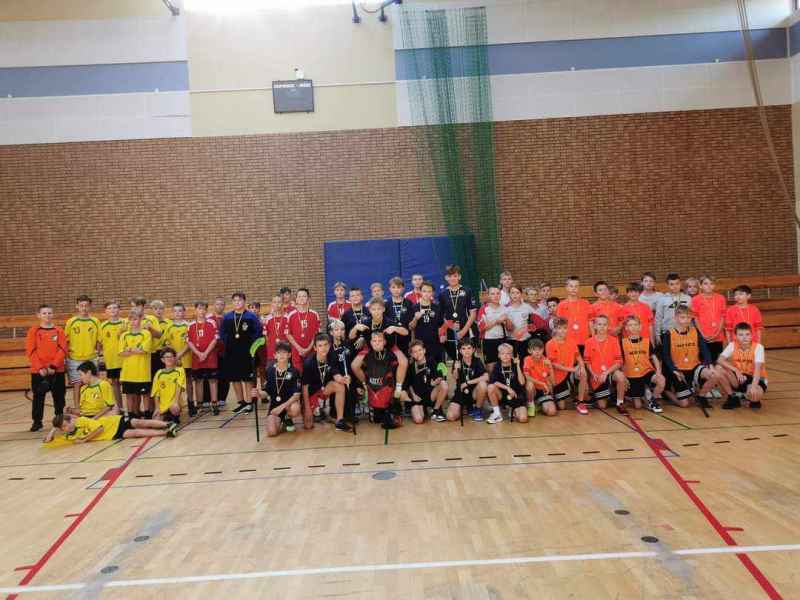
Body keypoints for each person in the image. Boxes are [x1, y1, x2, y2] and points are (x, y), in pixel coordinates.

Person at [661, 306, 718, 408]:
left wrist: (711, 365)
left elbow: (704, 349)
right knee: (684, 404)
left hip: (694, 366)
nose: (686, 320)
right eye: (683, 317)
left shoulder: (695, 331)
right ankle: (666, 391)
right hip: (679, 370)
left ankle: (701, 396)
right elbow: (665, 355)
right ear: (676, 318)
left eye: (688, 317)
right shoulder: (669, 334)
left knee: (714, 375)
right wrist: (674, 370)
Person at [351, 331, 408, 429]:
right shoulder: (367, 353)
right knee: (375, 421)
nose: (377, 343)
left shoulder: (390, 353)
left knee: (391, 420)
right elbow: (354, 366)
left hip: (388, 396)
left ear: (384, 342)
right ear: (370, 342)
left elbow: (404, 362)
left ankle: (393, 409)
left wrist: (394, 348)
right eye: (374, 341)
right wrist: (364, 384)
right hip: (374, 395)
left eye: (380, 340)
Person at [25, 304, 67, 431]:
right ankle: (37, 422)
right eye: (44, 313)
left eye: (49, 313)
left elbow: (63, 349)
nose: (47, 315)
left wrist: (54, 366)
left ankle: (60, 420)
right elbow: (31, 350)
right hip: (39, 371)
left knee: (59, 396)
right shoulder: (33, 331)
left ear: (53, 314)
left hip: (57, 370)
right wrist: (40, 368)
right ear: (39, 315)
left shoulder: (59, 330)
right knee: (38, 397)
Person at [221, 292, 263, 414]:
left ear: (244, 302)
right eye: (234, 300)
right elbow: (222, 333)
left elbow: (258, 332)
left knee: (247, 378)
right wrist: (228, 343)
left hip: (247, 353)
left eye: (239, 300)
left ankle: (249, 403)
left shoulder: (251, 317)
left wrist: (251, 346)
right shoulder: (227, 317)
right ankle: (241, 403)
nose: (237, 302)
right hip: (232, 353)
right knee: (235, 378)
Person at [302, 334, 352, 431]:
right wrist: (307, 408)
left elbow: (335, 373)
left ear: (329, 346)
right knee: (308, 426)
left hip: (324, 389)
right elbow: (305, 387)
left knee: (340, 386)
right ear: (315, 348)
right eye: (320, 346)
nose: (323, 348)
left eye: (325, 345)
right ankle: (315, 410)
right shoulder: (309, 363)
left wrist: (344, 379)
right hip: (312, 393)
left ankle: (340, 421)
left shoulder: (331, 356)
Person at [252, 341, 302, 436]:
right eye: (279, 353)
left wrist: (281, 407)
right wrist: (258, 394)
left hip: (288, 406)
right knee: (272, 432)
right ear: (275, 355)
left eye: (284, 352)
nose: (281, 355)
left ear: (289, 355)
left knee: (295, 408)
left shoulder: (294, 372)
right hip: (275, 407)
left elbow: (296, 396)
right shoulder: (270, 371)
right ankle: (280, 421)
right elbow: (267, 392)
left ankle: (287, 417)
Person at [619, 316, 665, 413]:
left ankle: (652, 400)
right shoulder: (622, 343)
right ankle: (644, 393)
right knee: (638, 406)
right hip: (631, 374)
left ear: (640, 327)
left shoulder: (646, 341)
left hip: (646, 371)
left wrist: (658, 371)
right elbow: (620, 362)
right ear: (626, 328)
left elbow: (654, 357)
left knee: (661, 380)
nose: (633, 327)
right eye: (630, 325)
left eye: (635, 325)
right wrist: (624, 377)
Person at [716, 323, 767, 410]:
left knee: (755, 395)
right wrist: (736, 370)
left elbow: (757, 370)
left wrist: (754, 386)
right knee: (718, 368)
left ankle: (750, 397)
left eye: (747, 334)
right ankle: (732, 396)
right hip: (739, 376)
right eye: (741, 335)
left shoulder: (758, 347)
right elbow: (720, 360)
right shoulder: (732, 345)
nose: (744, 337)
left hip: (754, 377)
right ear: (735, 336)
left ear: (752, 335)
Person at [44, 412, 176, 444]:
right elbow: (47, 441)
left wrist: (85, 439)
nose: (67, 428)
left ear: (71, 420)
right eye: (63, 427)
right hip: (111, 434)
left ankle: (167, 424)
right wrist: (54, 428)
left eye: (66, 424)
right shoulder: (68, 436)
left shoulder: (82, 421)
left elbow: (100, 429)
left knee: (139, 423)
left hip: (114, 422)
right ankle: (166, 433)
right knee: (135, 433)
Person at [546, 317, 589, 414]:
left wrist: (582, 367)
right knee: (561, 407)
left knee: (583, 374)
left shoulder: (571, 341)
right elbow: (554, 365)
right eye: (559, 328)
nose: (562, 331)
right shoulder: (550, 344)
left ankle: (580, 402)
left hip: (570, 372)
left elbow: (579, 357)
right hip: (558, 375)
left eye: (565, 328)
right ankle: (561, 393)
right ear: (554, 329)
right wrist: (572, 369)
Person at [64, 295, 101, 411]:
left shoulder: (95, 321)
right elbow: (66, 340)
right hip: (75, 358)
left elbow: (99, 339)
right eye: (81, 306)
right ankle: (77, 409)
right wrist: (68, 355)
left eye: (86, 306)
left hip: (91, 358)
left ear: (90, 306)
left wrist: (98, 352)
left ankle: (93, 407)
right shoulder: (71, 322)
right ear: (77, 306)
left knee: (93, 384)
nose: (84, 308)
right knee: (77, 384)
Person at [583, 315, 626, 411]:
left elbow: (619, 362)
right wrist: (593, 373)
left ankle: (620, 403)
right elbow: (587, 362)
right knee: (602, 406)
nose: (602, 327)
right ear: (595, 326)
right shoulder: (589, 342)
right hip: (597, 375)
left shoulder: (614, 341)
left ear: (608, 326)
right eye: (599, 324)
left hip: (610, 372)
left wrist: (606, 373)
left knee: (620, 376)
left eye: (604, 324)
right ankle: (605, 395)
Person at [118, 308, 154, 417]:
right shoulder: (124, 335)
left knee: (145, 395)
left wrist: (129, 349)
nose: (133, 322)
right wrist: (134, 350)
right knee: (129, 395)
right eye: (131, 319)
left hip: (142, 372)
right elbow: (121, 353)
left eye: (135, 319)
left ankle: (147, 415)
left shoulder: (146, 334)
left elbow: (143, 351)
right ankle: (130, 416)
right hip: (128, 373)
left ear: (141, 319)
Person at [437, 265, 477, 361]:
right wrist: (448, 327)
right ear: (446, 278)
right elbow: (441, 316)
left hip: (465, 330)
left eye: (455, 276)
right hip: (449, 331)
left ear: (459, 277)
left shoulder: (467, 291)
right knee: (455, 359)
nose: (452, 278)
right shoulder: (442, 294)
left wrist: (463, 331)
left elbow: (473, 314)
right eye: (450, 276)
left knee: (467, 358)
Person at [187, 301, 220, 415]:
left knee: (213, 380)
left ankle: (214, 404)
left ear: (206, 310)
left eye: (203, 309)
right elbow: (189, 342)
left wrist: (205, 353)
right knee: (198, 381)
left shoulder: (212, 323)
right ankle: (200, 404)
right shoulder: (191, 325)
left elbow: (215, 339)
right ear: (195, 310)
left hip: (210, 356)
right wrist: (198, 353)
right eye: (199, 309)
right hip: (197, 358)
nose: (201, 311)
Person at [406, 340, 449, 423]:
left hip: (430, 395)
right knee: (418, 420)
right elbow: (409, 384)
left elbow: (438, 377)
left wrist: (435, 382)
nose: (418, 353)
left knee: (444, 384)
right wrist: (414, 395)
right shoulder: (410, 367)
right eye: (415, 351)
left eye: (420, 350)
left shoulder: (431, 361)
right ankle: (423, 409)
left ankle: (436, 410)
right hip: (418, 398)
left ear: (424, 350)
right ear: (411, 354)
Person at [165, 303, 194, 415]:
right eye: (175, 311)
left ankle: (191, 404)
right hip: (173, 360)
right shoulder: (169, 327)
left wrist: (179, 355)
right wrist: (173, 356)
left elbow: (189, 343)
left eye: (180, 311)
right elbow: (167, 343)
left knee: (188, 382)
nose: (177, 313)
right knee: (174, 383)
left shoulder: (188, 326)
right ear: (173, 312)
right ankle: (176, 405)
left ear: (184, 312)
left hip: (186, 359)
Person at [450, 339, 489, 422]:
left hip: (474, 393)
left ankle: (477, 409)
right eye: (463, 348)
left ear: (473, 349)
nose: (466, 351)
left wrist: (467, 383)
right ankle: (467, 407)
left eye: (469, 348)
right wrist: (456, 369)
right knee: (451, 416)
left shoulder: (477, 361)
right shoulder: (457, 362)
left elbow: (486, 377)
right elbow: (455, 377)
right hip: (461, 393)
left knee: (483, 385)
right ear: (460, 351)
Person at [487, 343, 526, 424]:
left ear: (512, 355)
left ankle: (513, 409)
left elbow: (522, 383)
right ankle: (497, 414)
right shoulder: (497, 366)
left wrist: (518, 366)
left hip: (516, 396)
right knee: (491, 387)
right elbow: (493, 381)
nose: (505, 356)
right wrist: (507, 388)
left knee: (523, 419)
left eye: (508, 353)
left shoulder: (516, 365)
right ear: (499, 355)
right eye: (503, 353)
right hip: (502, 396)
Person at [691, 275, 727, 362]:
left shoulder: (721, 298)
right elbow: (695, 318)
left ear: (714, 285)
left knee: (717, 361)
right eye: (706, 283)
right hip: (703, 335)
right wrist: (702, 334)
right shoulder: (696, 299)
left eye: (711, 283)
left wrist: (717, 333)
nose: (709, 286)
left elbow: (723, 316)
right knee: (704, 361)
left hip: (718, 335)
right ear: (700, 286)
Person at [409, 281, 446, 364]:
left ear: (433, 293)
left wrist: (443, 335)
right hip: (420, 345)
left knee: (438, 368)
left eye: (429, 291)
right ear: (420, 292)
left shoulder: (437, 308)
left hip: (435, 343)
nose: (426, 294)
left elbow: (441, 325)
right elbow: (411, 327)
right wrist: (415, 318)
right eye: (424, 291)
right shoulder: (414, 308)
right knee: (423, 369)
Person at [286, 288, 321, 373]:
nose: (302, 298)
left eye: (304, 296)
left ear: (309, 299)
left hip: (311, 350)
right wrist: (299, 349)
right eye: (299, 296)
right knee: (298, 374)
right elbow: (288, 334)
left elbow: (317, 334)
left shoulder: (315, 314)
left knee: (311, 373)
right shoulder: (291, 315)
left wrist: (308, 348)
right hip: (296, 351)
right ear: (296, 299)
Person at [99, 300, 125, 409]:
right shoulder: (103, 326)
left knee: (128, 384)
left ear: (119, 309)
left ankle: (133, 410)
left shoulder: (125, 323)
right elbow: (99, 343)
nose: (112, 310)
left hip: (126, 359)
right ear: (106, 311)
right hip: (112, 360)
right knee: (115, 383)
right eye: (109, 308)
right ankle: (120, 408)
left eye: (115, 307)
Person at [555, 276, 592, 352]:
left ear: (579, 288)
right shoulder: (561, 305)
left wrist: (593, 339)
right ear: (566, 288)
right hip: (567, 341)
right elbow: (559, 326)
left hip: (584, 340)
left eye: (576, 286)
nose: (573, 288)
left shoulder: (586, 303)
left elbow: (590, 322)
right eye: (571, 286)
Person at [151, 347, 186, 424]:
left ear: (175, 358)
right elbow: (156, 392)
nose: (169, 359)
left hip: (174, 404)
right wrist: (157, 408)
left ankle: (174, 418)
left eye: (171, 357)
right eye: (166, 357)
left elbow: (179, 387)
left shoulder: (180, 370)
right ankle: (167, 421)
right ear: (162, 360)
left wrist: (175, 402)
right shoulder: (158, 373)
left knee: (174, 408)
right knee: (155, 421)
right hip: (163, 406)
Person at [523, 338, 555, 417]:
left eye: (540, 349)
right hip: (533, 389)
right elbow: (527, 377)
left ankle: (540, 404)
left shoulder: (546, 361)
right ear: (529, 351)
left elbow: (553, 381)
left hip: (543, 390)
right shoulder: (527, 359)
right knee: (529, 384)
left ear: (543, 350)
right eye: (534, 349)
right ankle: (531, 404)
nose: (537, 352)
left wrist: (550, 366)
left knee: (551, 412)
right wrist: (542, 383)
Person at [478, 287, 508, 371]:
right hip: (489, 341)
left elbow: (510, 328)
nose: (496, 296)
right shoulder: (484, 309)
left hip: (503, 339)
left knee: (504, 365)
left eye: (498, 293)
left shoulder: (505, 308)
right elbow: (481, 328)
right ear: (488, 296)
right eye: (493, 294)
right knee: (491, 367)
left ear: (500, 295)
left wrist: (507, 320)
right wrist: (497, 321)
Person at [655, 273, 691, 340]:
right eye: (672, 284)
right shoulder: (662, 299)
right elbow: (658, 317)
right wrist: (657, 334)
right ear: (667, 285)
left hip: (684, 331)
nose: (675, 286)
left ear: (680, 284)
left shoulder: (688, 298)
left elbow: (691, 316)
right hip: (667, 332)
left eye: (677, 283)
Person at [504, 285, 535, 360]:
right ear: (509, 294)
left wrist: (525, 330)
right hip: (512, 340)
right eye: (512, 293)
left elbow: (532, 325)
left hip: (526, 340)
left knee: (526, 361)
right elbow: (507, 328)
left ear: (521, 294)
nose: (515, 295)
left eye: (517, 293)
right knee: (515, 362)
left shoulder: (527, 307)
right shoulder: (506, 309)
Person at [387, 277, 413, 355]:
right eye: (393, 287)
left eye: (398, 287)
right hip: (390, 340)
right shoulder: (386, 304)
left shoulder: (408, 303)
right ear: (389, 289)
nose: (396, 290)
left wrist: (412, 340)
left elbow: (412, 324)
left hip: (406, 339)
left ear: (403, 288)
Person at [210, 296, 228, 406]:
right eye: (217, 304)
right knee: (212, 376)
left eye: (221, 304)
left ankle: (222, 398)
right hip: (213, 351)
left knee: (224, 375)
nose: (219, 306)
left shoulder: (228, 318)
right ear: (214, 305)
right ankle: (210, 398)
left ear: (224, 306)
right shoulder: (209, 319)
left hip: (225, 351)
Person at [149, 300, 173, 377]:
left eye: (160, 308)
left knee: (165, 375)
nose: (158, 311)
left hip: (164, 351)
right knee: (154, 375)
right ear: (152, 310)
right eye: (155, 309)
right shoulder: (149, 323)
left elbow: (170, 337)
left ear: (164, 310)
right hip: (153, 352)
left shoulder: (169, 322)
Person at [342, 287, 369, 352]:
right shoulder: (346, 314)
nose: (355, 297)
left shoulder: (369, 312)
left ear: (362, 297)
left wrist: (364, 338)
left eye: (357, 295)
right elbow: (344, 334)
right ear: (349, 298)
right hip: (352, 349)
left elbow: (373, 329)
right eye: (352, 296)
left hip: (368, 347)